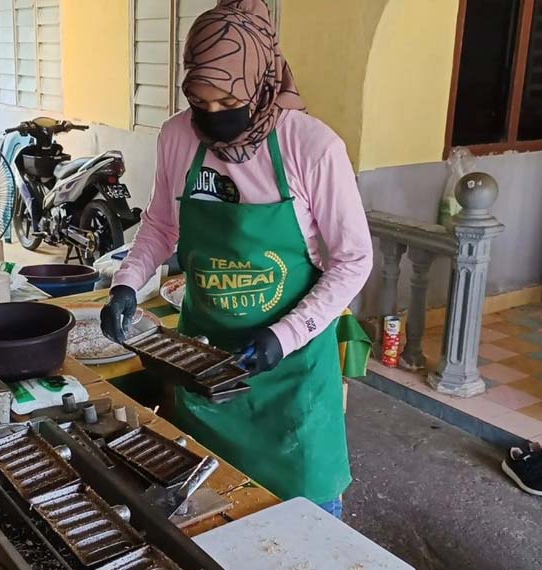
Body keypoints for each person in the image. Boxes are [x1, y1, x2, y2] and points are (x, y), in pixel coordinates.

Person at [100, 0, 373, 519]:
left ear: (261, 82)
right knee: (203, 518)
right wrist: (127, 284)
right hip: (203, 368)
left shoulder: (311, 147)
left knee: (303, 529)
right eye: (199, 100)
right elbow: (161, 225)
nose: (213, 115)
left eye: (228, 99)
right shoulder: (178, 136)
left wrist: (284, 335)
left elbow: (354, 260)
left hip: (290, 379)